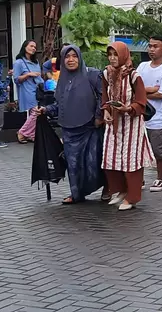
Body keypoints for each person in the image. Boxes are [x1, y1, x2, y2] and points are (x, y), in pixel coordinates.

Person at [40, 45, 107, 205]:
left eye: (74, 56)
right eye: (67, 57)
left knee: (93, 162)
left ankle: (107, 188)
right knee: (73, 163)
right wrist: (45, 109)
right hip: (69, 129)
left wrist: (99, 116)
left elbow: (102, 96)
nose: (71, 60)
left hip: (90, 127)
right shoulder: (62, 80)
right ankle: (76, 194)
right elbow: (59, 105)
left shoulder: (92, 75)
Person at [101, 42, 154, 211]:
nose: (112, 58)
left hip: (132, 123)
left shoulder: (134, 76)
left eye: (116, 54)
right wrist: (106, 111)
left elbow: (141, 102)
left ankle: (132, 197)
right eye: (110, 54)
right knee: (111, 157)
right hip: (114, 124)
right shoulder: (106, 73)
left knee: (131, 160)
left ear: (123, 55)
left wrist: (128, 108)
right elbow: (104, 97)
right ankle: (121, 190)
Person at [136, 36, 162, 193]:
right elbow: (133, 86)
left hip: (158, 118)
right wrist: (151, 89)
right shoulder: (142, 67)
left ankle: (160, 179)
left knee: (159, 150)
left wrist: (141, 92)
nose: (151, 49)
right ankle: (140, 179)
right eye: (150, 46)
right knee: (138, 150)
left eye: (155, 46)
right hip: (139, 117)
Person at [13, 40, 42, 113]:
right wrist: (28, 75)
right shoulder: (18, 63)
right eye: (31, 46)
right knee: (30, 115)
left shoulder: (36, 62)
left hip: (39, 93)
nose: (33, 48)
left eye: (35, 47)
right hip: (27, 94)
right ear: (25, 47)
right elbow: (16, 80)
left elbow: (39, 76)